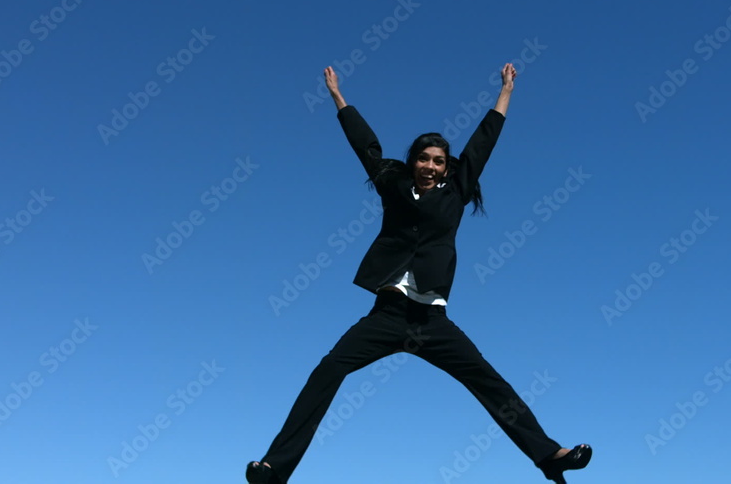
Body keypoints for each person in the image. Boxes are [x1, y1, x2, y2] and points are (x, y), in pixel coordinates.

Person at [247, 63, 591, 484]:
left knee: (487, 380)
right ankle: (275, 468)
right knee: (328, 370)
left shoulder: (456, 192)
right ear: (413, 161)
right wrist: (339, 98)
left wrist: (505, 93)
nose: (430, 166)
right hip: (387, 314)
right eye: (424, 158)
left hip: (431, 319)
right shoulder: (393, 187)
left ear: (447, 168)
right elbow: (365, 147)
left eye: (438, 161)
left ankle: (549, 455)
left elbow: (483, 143)